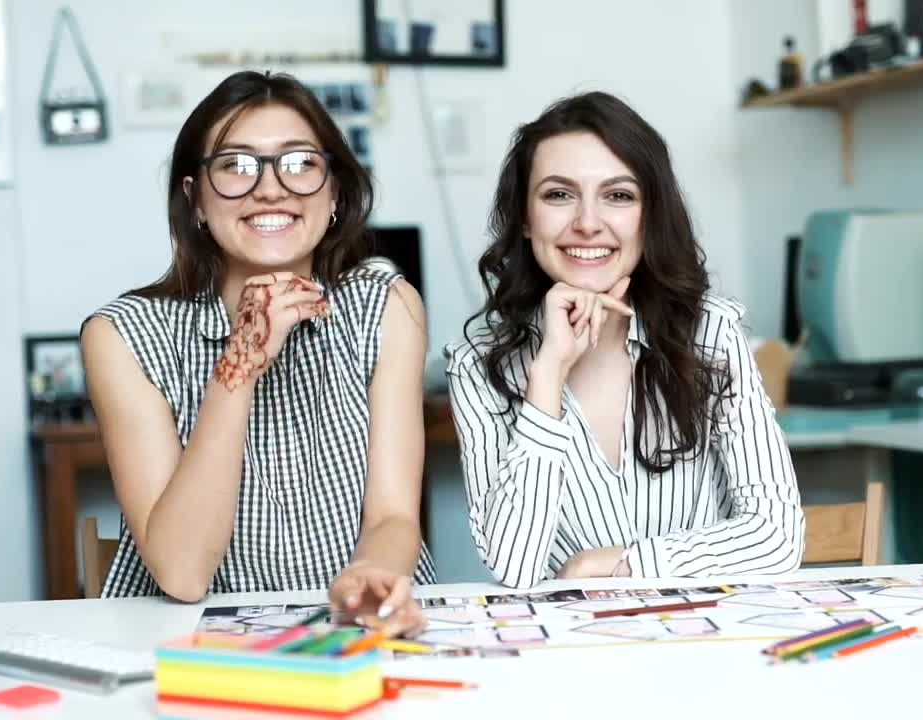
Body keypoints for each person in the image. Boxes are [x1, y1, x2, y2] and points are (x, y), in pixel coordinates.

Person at [81, 71, 433, 633]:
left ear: (334, 192)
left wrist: (368, 577)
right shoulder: (121, 336)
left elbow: (393, 514)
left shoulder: (386, 306)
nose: (270, 189)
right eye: (236, 165)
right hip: (188, 636)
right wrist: (239, 364)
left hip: (361, 629)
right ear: (196, 198)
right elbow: (182, 571)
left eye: (298, 163)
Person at [445, 92, 804, 589]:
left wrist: (625, 562)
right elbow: (516, 567)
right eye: (558, 195)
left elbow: (778, 536)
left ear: (649, 216)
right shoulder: (476, 367)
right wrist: (548, 371)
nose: (588, 223)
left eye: (618, 195)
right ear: (526, 219)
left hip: (714, 638)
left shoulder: (710, 334)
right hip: (571, 649)